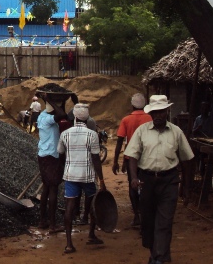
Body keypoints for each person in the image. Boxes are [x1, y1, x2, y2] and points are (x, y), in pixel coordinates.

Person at [124, 95, 194, 264]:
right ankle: (153, 254)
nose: (158, 115)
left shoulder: (176, 132)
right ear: (151, 113)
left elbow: (187, 160)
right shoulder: (142, 131)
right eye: (155, 112)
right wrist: (134, 178)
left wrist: (186, 187)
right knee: (148, 222)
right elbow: (132, 156)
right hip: (147, 181)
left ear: (167, 112)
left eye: (161, 111)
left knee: (164, 222)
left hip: (169, 180)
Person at [58, 103, 106, 254]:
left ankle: (68, 244)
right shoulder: (92, 135)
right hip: (88, 176)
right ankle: (91, 234)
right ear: (87, 119)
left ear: (74, 117)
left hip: (71, 175)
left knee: (69, 207)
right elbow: (96, 159)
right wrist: (102, 180)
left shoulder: (65, 134)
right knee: (92, 204)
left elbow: (60, 152)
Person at [112, 93, 153, 228]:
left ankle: (136, 215)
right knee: (147, 185)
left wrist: (116, 161)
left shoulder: (126, 120)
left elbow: (119, 141)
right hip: (147, 157)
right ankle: (147, 213)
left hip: (131, 159)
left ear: (132, 105)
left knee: (132, 185)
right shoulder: (150, 118)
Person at [35, 91, 69, 233]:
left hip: (44, 155)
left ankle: (43, 221)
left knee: (46, 188)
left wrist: (55, 102)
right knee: (53, 188)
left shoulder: (43, 116)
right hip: (50, 156)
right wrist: (49, 99)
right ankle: (53, 225)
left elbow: (62, 113)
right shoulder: (47, 119)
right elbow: (62, 115)